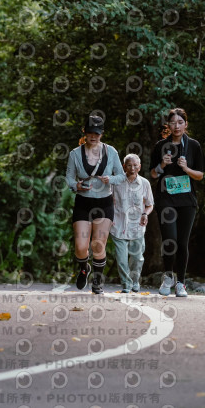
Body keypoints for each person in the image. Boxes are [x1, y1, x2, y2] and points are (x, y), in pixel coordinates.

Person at [65, 115, 125, 294]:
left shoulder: (111, 152)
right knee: (81, 247)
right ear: (84, 132)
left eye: (97, 133)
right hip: (83, 202)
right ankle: (84, 267)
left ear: (102, 133)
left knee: (98, 244)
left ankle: (97, 281)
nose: (93, 136)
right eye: (90, 132)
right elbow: (69, 178)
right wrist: (76, 186)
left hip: (104, 203)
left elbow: (121, 176)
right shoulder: (75, 154)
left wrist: (110, 179)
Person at [150, 108, 205, 297]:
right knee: (169, 239)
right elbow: (153, 174)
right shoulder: (160, 146)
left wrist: (186, 168)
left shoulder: (194, 146)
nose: (177, 126)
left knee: (182, 242)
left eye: (180, 122)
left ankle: (181, 283)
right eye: (173, 123)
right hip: (166, 199)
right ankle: (168, 277)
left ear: (186, 124)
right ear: (168, 125)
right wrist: (162, 165)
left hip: (187, 200)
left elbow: (200, 175)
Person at [111, 154, 154, 293]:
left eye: (135, 165)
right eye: (129, 165)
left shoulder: (145, 183)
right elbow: (108, 201)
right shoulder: (116, 182)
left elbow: (150, 205)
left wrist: (145, 214)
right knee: (121, 259)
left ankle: (135, 281)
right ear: (124, 167)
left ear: (139, 167)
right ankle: (126, 284)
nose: (132, 168)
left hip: (137, 226)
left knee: (137, 258)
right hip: (118, 225)